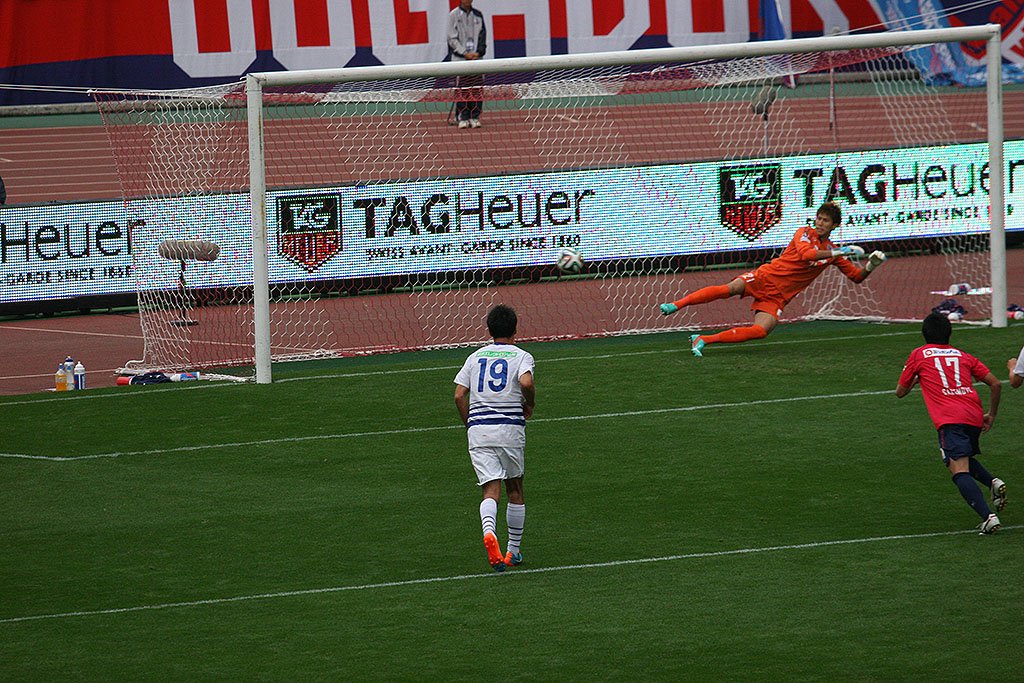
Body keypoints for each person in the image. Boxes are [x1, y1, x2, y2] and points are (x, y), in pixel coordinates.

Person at [659, 201, 887, 357]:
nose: (820, 223)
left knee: (761, 331)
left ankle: (703, 339)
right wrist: (840, 251)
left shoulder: (832, 251)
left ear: (835, 225)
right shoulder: (804, 233)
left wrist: (871, 266)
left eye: (825, 221)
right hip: (765, 277)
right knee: (730, 288)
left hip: (778, 296)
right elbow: (806, 255)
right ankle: (676, 304)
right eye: (818, 218)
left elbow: (856, 277)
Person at [896, 312, 1005, 534]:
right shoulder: (963, 355)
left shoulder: (919, 354)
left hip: (950, 418)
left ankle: (988, 517)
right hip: (973, 415)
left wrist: (916, 380)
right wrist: (991, 415)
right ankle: (993, 482)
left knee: (958, 470)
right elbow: (996, 384)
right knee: (956, 458)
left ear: (924, 334)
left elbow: (900, 392)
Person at [454, 304, 535, 571]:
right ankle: (513, 552)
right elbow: (525, 383)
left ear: (489, 330)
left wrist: (470, 423)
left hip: (479, 431)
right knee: (515, 488)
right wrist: (530, 403)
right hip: (509, 429)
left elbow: (459, 395)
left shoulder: (475, 357)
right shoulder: (522, 356)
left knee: (490, 489)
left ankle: (489, 532)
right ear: (515, 330)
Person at [447, 0, 487, 129]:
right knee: (463, 89)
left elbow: (482, 36)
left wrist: (478, 52)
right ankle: (462, 117)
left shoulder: (478, 15)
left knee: (477, 88)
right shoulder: (453, 15)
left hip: (476, 59)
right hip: (460, 59)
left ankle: (475, 116)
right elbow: (451, 38)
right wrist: (464, 53)